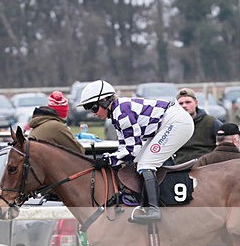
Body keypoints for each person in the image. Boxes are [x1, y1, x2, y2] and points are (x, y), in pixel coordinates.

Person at [79, 79, 194, 224]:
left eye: (94, 107)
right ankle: (145, 203)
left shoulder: (121, 112)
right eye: (88, 109)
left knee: (146, 164)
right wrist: (109, 158)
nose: (93, 113)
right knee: (139, 161)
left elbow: (132, 149)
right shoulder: (116, 113)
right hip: (169, 122)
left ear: (105, 101)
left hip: (177, 123)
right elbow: (124, 148)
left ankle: (153, 209)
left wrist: (108, 160)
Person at [172, 87, 221, 164]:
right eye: (180, 103)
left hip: (206, 165)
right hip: (180, 166)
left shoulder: (211, 122)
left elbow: (225, 144)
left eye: (188, 102)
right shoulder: (173, 125)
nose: (184, 105)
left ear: (196, 103)